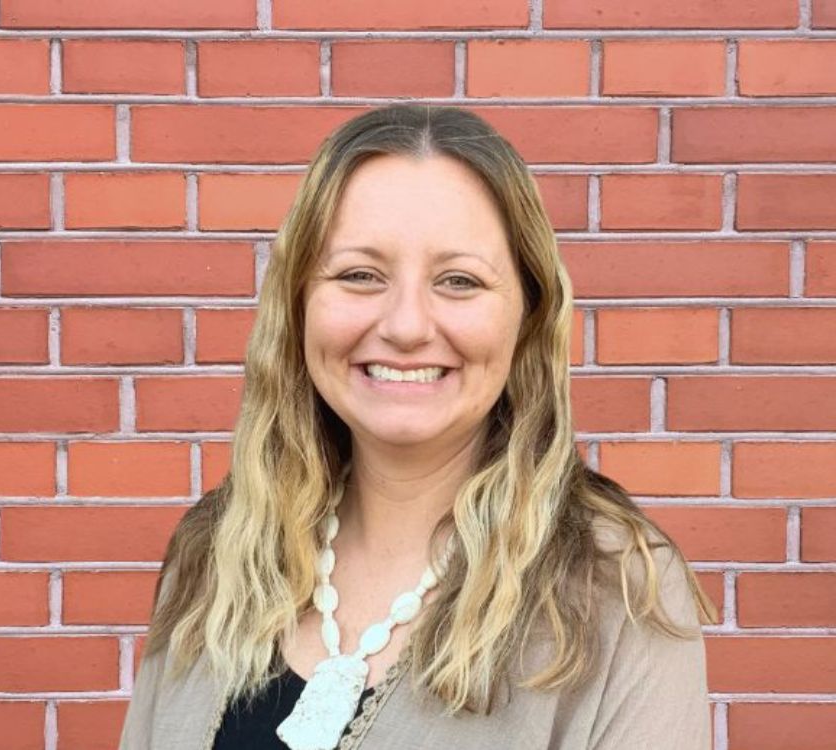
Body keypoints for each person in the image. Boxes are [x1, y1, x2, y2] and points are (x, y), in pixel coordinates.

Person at [118, 105, 716, 750]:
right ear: (298, 303)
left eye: (459, 281)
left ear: (528, 316)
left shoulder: (617, 592)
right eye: (359, 275)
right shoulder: (216, 554)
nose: (406, 325)